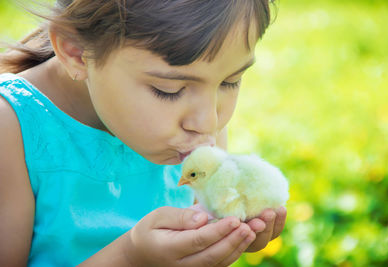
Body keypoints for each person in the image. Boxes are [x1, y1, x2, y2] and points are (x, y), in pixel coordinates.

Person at [0, 0, 287, 266]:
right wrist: (129, 258)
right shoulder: (11, 128)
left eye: (230, 81)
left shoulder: (197, 127)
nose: (209, 122)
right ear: (76, 51)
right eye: (169, 90)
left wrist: (223, 236)